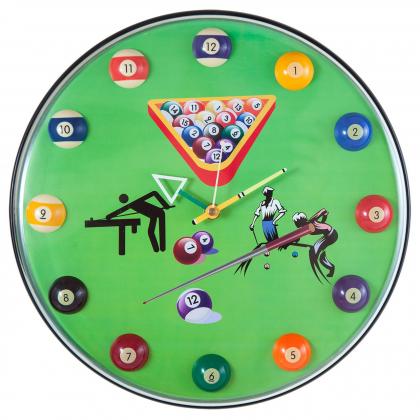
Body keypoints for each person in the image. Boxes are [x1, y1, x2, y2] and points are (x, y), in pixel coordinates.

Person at [106, 191, 174, 252]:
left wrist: (165, 205)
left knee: (158, 231)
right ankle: (157, 249)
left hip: (160, 212)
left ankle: (162, 248)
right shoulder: (130, 205)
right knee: (150, 232)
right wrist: (109, 216)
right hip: (152, 216)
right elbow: (119, 211)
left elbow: (154, 193)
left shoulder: (137, 201)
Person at [292, 209, 338, 279]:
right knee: (316, 250)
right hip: (328, 235)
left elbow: (323, 210)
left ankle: (331, 267)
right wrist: (323, 222)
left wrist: (323, 221)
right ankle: (325, 257)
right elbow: (298, 236)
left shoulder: (311, 221)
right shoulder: (305, 227)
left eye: (296, 222)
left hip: (331, 236)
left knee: (316, 254)